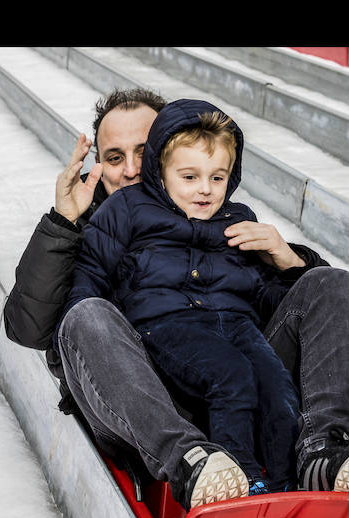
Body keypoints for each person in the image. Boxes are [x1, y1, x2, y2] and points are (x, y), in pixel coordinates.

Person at [2, 87, 349, 511]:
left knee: (332, 282)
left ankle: (321, 450)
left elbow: (274, 302)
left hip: (236, 373)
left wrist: (289, 261)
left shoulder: (223, 215)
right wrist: (63, 224)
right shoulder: (98, 222)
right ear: (98, 163)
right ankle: (189, 462)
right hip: (144, 394)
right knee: (87, 315)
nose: (132, 169)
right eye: (115, 157)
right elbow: (32, 327)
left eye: (144, 151)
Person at [60, 100, 301, 497]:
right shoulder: (126, 210)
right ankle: (234, 477)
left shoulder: (236, 219)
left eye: (218, 178)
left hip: (234, 325)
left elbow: (259, 288)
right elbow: (88, 281)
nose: (205, 189)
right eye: (190, 176)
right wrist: (81, 360)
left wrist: (293, 268)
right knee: (232, 376)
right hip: (165, 328)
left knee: (276, 387)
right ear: (164, 171)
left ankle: (283, 481)